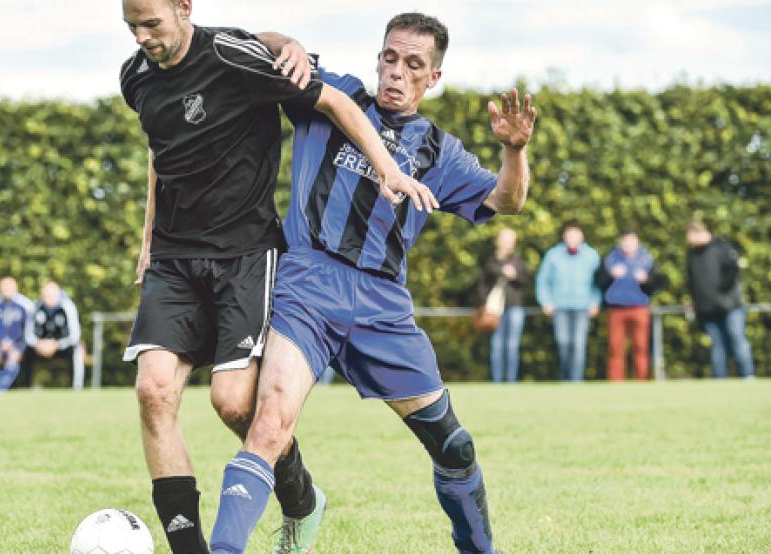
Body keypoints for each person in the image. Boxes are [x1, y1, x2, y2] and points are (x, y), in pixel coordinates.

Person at [209, 12, 534, 554]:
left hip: (383, 305)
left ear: (433, 78)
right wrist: (285, 42)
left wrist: (515, 151)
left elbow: (507, 200)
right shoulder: (334, 93)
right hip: (307, 284)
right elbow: (244, 45)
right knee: (267, 426)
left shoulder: (439, 151)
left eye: (413, 65)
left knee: (454, 447)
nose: (396, 73)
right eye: (389, 58)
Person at [119, 1, 434, 551]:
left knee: (234, 403)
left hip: (244, 253)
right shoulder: (136, 77)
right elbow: (159, 148)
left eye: (152, 24)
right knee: (154, 390)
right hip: (174, 258)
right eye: (132, 27)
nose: (143, 37)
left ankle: (301, 496)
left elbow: (333, 99)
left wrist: (388, 168)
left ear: (183, 8)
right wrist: (148, 236)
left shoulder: (232, 57)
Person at [685, 220, 755, 378]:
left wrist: (721, 291)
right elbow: (691, 281)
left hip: (730, 306)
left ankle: (748, 376)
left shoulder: (721, 247)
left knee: (738, 340)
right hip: (707, 309)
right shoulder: (692, 254)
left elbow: (732, 270)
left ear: (698, 233)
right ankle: (719, 379)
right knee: (717, 346)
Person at [535, 220, 601, 382]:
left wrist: (594, 302)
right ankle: (565, 379)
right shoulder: (553, 255)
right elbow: (543, 280)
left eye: (575, 234)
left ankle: (576, 381)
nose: (572, 238)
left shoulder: (591, 255)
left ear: (582, 236)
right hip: (560, 307)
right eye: (569, 234)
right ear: (564, 236)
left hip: (582, 307)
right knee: (563, 343)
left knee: (578, 345)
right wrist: (546, 301)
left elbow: (598, 283)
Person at [596, 231, 662, 381]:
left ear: (637, 243)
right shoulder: (610, 259)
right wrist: (610, 275)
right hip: (616, 309)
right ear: (620, 242)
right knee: (615, 348)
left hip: (639, 308)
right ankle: (615, 381)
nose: (628, 245)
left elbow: (657, 284)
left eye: (631, 242)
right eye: (625, 242)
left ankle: (642, 379)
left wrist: (647, 280)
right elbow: (599, 281)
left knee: (641, 346)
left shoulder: (647, 259)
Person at [478, 228, 531, 383]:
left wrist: (515, 275)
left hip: (514, 307)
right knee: (497, 346)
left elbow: (527, 280)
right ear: (498, 241)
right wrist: (483, 305)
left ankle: (511, 381)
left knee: (512, 346)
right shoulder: (489, 261)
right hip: (494, 310)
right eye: (506, 240)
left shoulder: (518, 262)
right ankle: (497, 381)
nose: (509, 244)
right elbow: (481, 285)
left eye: (511, 240)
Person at [23, 281, 84, 390]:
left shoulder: (67, 307)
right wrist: (38, 344)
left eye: (52, 294)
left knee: (78, 349)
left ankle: (76, 388)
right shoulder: (35, 306)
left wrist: (57, 344)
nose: (49, 297)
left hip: (62, 346)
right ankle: (27, 387)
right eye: (46, 294)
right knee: (24, 351)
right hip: (40, 347)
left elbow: (75, 335)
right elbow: (28, 334)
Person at [0, 276, 34, 391]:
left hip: (19, 345)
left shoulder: (26, 305)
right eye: (4, 287)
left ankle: (2, 387)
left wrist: (15, 344)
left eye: (9, 287)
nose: (6, 290)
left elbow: (29, 331)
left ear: (16, 287)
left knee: (14, 355)